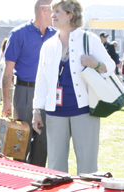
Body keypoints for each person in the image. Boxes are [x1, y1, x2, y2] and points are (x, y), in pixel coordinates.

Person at [33, 0, 111, 175]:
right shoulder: (48, 45)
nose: (52, 15)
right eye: (52, 12)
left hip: (84, 111)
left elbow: (110, 67)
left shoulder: (89, 39)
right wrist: (36, 110)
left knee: (88, 166)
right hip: (55, 111)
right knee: (55, 166)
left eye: (58, 11)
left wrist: (96, 64)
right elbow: (42, 80)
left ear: (70, 15)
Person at [1, 0, 55, 167]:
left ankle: (37, 178)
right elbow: (7, 71)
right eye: (55, 10)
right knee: (21, 140)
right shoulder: (18, 34)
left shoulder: (56, 35)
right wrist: (6, 101)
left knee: (43, 143)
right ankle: (19, 177)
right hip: (24, 92)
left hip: (48, 95)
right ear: (45, 11)